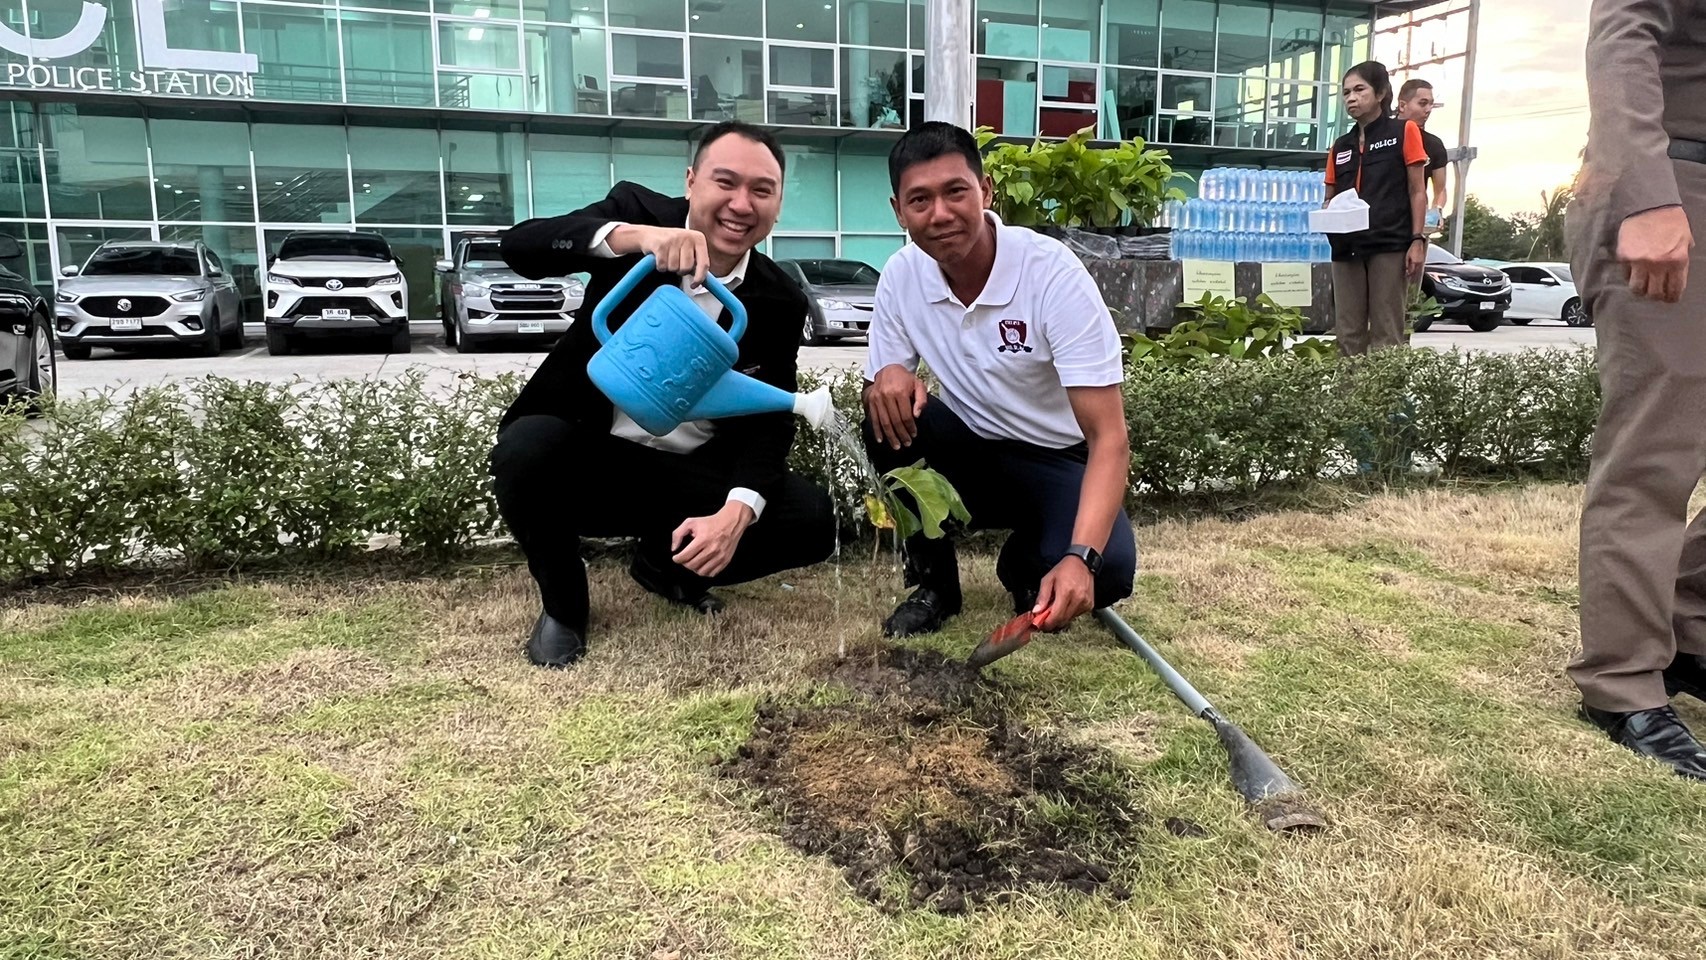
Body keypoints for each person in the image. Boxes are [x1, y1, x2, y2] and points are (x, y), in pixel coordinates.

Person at [490, 121, 836, 668]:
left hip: (686, 474)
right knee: (527, 447)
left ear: (777, 205)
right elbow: (521, 246)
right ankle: (564, 607)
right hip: (593, 455)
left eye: (761, 190)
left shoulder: (780, 299)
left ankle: (665, 567)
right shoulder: (638, 214)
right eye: (725, 182)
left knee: (810, 518)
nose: (741, 204)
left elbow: (769, 417)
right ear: (692, 181)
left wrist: (736, 512)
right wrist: (637, 239)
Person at [861, 121, 1136, 638]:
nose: (940, 214)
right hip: (973, 455)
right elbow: (883, 387)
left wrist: (1080, 557)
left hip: (1057, 460)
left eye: (955, 191)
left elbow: (1109, 437)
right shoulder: (901, 275)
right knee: (884, 414)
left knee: (1109, 569)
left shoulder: (1051, 274)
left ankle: (1025, 563)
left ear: (985, 191)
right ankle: (935, 586)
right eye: (919, 200)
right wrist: (889, 374)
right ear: (898, 210)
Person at [1569, 0, 1706, 781]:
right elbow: (1625, 29)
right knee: (1657, 447)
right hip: (1674, 180)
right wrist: (1647, 193)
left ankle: (1691, 635)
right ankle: (1620, 682)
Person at [1324, 61, 1430, 357]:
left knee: (1386, 331)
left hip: (1388, 244)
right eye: (1346, 92)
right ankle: (1350, 388)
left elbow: (1417, 191)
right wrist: (1327, 214)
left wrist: (1416, 240)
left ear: (1381, 93)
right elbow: (1329, 197)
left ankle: (1386, 389)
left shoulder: (1404, 131)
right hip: (1346, 248)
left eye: (1360, 90)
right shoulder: (1340, 146)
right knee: (1348, 333)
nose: (1352, 98)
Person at [1396, 78, 1450, 232]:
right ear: (1402, 105)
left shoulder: (1434, 144)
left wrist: (1436, 210)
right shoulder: (1382, 136)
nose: (1428, 109)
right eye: (1422, 103)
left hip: (1415, 223)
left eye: (1431, 104)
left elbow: (1440, 189)